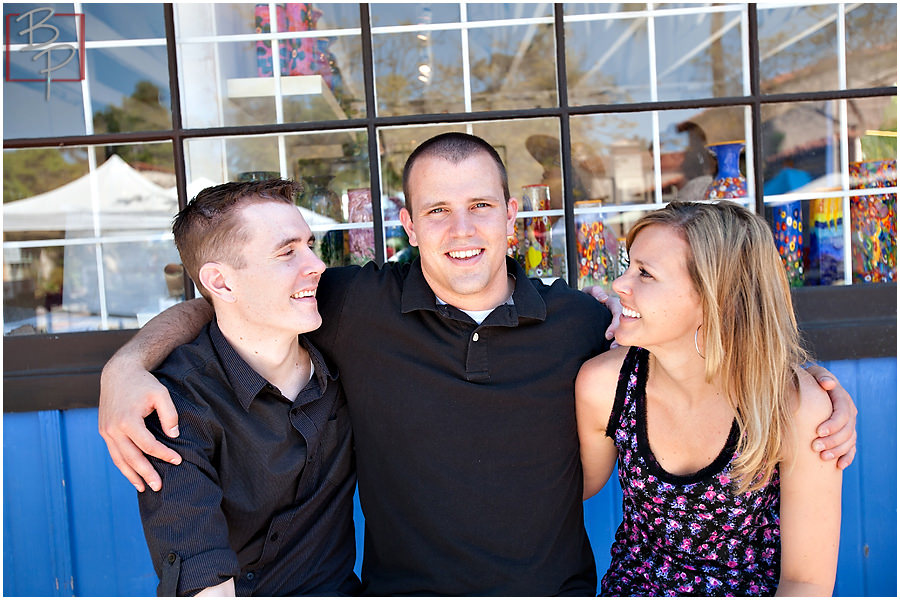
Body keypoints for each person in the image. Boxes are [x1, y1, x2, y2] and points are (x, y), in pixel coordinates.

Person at [99, 133, 856, 595]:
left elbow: (720, 330)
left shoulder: (583, 323)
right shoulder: (350, 304)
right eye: (436, 210)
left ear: (511, 213)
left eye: (480, 207)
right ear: (406, 222)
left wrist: (818, 389)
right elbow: (228, 297)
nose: (461, 231)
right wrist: (126, 366)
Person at [576, 201, 842, 596]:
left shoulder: (792, 407)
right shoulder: (606, 385)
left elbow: (807, 582)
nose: (620, 284)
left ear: (716, 298)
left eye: (645, 274)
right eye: (629, 266)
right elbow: (561, 489)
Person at [135, 180, 359, 596]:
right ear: (221, 283)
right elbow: (204, 582)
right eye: (287, 252)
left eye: (310, 245)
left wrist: (123, 365)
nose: (317, 265)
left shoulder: (347, 349)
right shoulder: (177, 403)